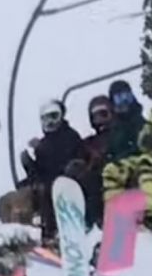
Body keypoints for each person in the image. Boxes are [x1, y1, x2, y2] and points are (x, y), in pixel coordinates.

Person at [102, 80, 152, 236]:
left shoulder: (140, 122)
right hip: (123, 164)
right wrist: (110, 159)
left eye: (126, 97)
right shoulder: (115, 129)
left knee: (146, 169)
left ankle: (151, 216)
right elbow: (111, 151)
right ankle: (118, 217)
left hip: (142, 159)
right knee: (110, 173)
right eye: (118, 99)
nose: (123, 102)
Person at [20, 99, 83, 247]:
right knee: (15, 199)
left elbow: (73, 160)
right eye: (46, 119)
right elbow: (39, 172)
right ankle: (14, 238)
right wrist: (28, 163)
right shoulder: (43, 144)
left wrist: (40, 149)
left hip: (65, 183)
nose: (50, 122)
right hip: (47, 183)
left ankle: (51, 234)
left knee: (47, 190)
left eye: (54, 117)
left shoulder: (70, 136)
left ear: (61, 116)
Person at [64, 95, 114, 231]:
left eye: (103, 114)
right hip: (95, 179)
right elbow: (79, 157)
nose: (100, 119)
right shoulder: (89, 142)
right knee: (85, 181)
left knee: (95, 183)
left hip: (113, 175)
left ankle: (95, 220)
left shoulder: (118, 134)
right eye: (96, 116)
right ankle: (77, 223)